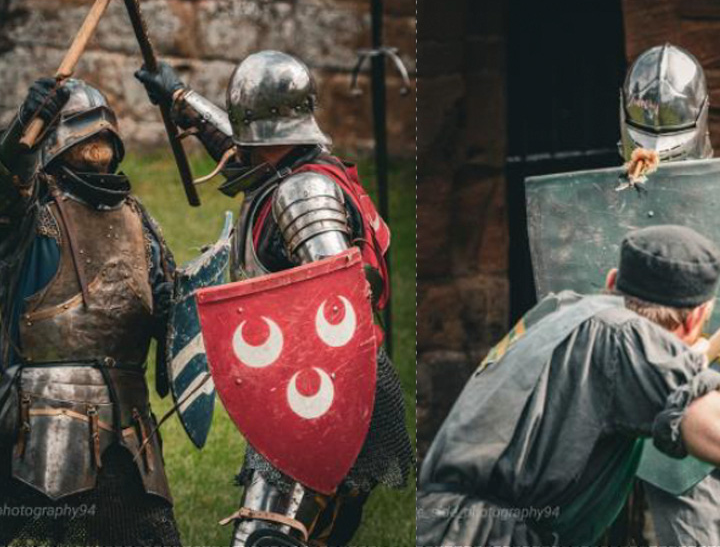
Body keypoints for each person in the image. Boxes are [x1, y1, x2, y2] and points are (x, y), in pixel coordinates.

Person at [135, 50, 413, 546]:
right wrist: (181, 99)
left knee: (268, 538)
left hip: (321, 394)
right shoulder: (292, 169)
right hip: (318, 390)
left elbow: (337, 292)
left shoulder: (301, 192)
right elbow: (239, 149)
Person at [415, 225, 720, 547]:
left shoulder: (559, 312)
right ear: (696, 317)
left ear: (611, 282)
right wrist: (693, 374)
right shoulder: (622, 335)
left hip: (442, 525)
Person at [0, 78, 180, 545]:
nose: (96, 140)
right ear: (55, 143)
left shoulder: (139, 221)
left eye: (103, 134)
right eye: (84, 132)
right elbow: (5, 185)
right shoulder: (32, 211)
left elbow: (171, 317)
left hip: (131, 429)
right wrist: (22, 129)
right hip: (39, 422)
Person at [620, 43, 720, 546]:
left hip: (698, 386)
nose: (654, 142)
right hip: (625, 373)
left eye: (670, 128)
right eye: (644, 125)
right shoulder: (604, 198)